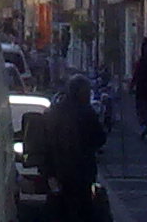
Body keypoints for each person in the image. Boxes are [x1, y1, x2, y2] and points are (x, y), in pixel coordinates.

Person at [36, 73, 109, 222]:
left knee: (59, 210)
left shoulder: (55, 112)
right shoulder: (86, 113)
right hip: (82, 173)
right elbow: (100, 138)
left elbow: (45, 143)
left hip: (59, 171)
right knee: (82, 211)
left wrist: (48, 171)